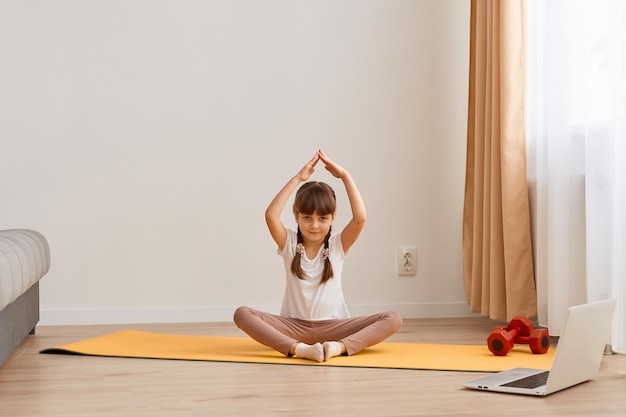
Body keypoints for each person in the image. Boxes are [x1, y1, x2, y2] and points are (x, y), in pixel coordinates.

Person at [234, 149, 402, 362]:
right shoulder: (290, 243)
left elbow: (360, 218)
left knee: (393, 318)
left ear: (333, 218)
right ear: (296, 216)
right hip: (293, 327)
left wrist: (344, 176)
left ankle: (338, 348)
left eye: (322, 218)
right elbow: (271, 215)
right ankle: (299, 349)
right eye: (307, 217)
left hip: (333, 327)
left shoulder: (336, 245)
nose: (314, 225)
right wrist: (298, 178)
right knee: (242, 314)